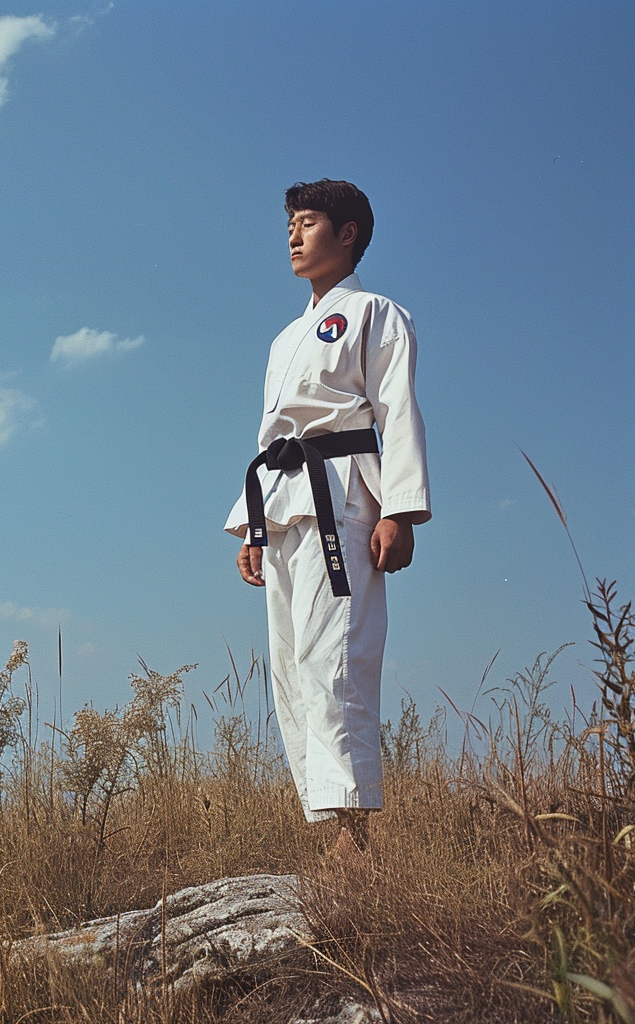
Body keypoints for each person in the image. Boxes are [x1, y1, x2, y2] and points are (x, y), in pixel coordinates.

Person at [225, 179, 430, 851]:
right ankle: (331, 818)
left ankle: (354, 830)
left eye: (307, 222)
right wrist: (255, 527)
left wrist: (399, 510)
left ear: (346, 234)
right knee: (290, 666)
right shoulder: (285, 338)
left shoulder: (375, 312)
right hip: (284, 503)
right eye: (289, 223)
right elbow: (269, 438)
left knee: (334, 657)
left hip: (342, 499)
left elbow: (395, 408)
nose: (292, 234)